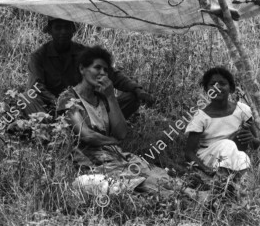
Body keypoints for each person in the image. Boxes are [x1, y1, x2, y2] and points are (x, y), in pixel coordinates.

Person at [57, 46, 205, 198]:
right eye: (97, 68)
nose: (102, 73)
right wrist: (112, 141)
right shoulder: (68, 98)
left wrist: (110, 96)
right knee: (138, 180)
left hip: (115, 154)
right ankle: (189, 198)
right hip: (92, 159)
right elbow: (86, 135)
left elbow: (121, 132)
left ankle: (193, 193)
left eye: (106, 70)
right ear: (82, 69)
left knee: (152, 171)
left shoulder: (102, 98)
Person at [22, 17, 153, 120]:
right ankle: (51, 130)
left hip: (85, 106)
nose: (63, 32)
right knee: (27, 97)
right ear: (50, 31)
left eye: (67, 27)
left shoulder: (83, 52)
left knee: (132, 97)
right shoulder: (38, 56)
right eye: (58, 28)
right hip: (51, 108)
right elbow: (35, 87)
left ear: (73, 30)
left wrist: (137, 89)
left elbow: (112, 74)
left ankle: (101, 125)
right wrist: (60, 103)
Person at [184, 67, 260, 194]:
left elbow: (256, 144)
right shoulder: (201, 116)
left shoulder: (242, 110)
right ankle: (219, 187)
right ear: (206, 90)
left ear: (231, 89)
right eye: (212, 84)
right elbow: (189, 153)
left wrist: (252, 139)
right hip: (208, 157)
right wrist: (205, 169)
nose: (217, 87)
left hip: (232, 155)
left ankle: (238, 192)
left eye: (222, 84)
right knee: (227, 144)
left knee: (243, 157)